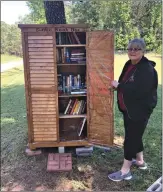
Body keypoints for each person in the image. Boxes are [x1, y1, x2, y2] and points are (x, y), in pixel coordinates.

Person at [108, 38, 158, 182]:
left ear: (143, 51)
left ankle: (125, 171)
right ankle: (140, 161)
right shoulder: (129, 64)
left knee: (130, 139)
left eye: (136, 49)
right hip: (128, 109)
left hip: (140, 111)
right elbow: (123, 81)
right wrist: (117, 86)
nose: (132, 51)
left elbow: (139, 91)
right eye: (130, 48)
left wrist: (119, 86)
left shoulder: (147, 70)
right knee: (135, 135)